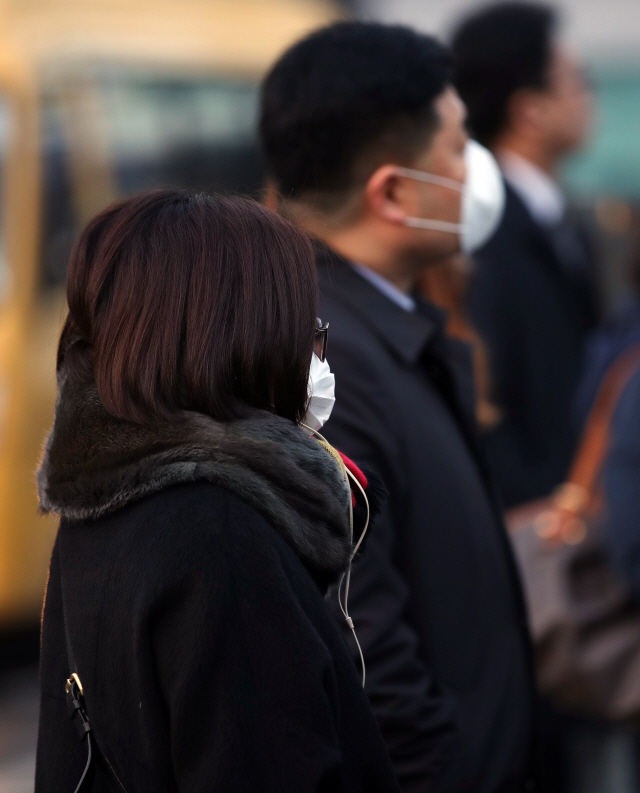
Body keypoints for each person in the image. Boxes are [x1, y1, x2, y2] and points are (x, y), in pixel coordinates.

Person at [35, 189, 401, 793]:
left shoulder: (109, 497)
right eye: (302, 326)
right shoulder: (218, 534)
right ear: (242, 336)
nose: (312, 351)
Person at [260, 22, 536, 793]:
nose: (474, 168)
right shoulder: (327, 367)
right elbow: (367, 644)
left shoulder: (374, 330)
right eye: (457, 146)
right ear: (392, 192)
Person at [452, 2, 598, 507]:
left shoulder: (556, 219)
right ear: (528, 109)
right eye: (577, 80)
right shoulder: (484, 230)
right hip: (539, 524)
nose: (588, 97)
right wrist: (541, 500)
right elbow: (487, 399)